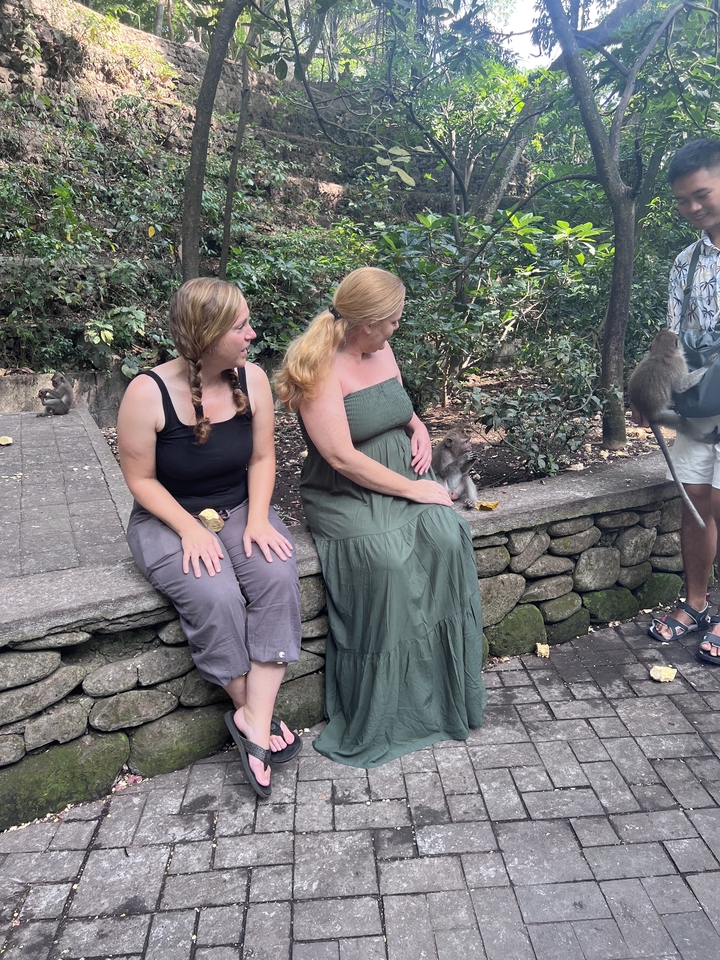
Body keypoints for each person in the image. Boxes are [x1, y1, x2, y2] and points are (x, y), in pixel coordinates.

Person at [275, 266, 487, 766]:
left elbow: (399, 405)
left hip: (400, 475)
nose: (397, 328)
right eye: (392, 321)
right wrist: (417, 489)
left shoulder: (380, 348)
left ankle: (439, 692)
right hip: (346, 492)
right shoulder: (320, 367)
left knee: (448, 537)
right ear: (365, 322)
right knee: (387, 563)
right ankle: (387, 710)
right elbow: (342, 458)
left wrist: (418, 428)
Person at [117, 278, 302, 798]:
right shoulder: (146, 392)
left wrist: (261, 518)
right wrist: (187, 528)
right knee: (214, 593)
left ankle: (253, 723)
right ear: (208, 334)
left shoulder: (254, 381)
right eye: (241, 325)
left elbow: (263, 459)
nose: (252, 333)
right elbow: (141, 481)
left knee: (277, 576)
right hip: (167, 518)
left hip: (242, 508)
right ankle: (260, 722)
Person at [642, 140, 720, 664]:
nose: (691, 208)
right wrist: (651, 391)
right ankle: (696, 604)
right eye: (682, 201)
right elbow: (673, 338)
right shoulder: (686, 263)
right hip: (700, 403)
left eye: (701, 195)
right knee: (693, 503)